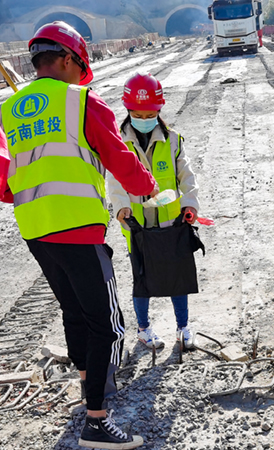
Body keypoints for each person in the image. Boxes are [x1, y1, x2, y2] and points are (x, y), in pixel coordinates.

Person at [0, 22, 158, 450]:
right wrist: (146, 187)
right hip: (77, 225)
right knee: (106, 323)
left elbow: (8, 177)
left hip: (35, 229)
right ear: (68, 59)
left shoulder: (10, 108)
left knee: (73, 311)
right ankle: (96, 421)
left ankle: (91, 388)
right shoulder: (81, 101)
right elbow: (119, 155)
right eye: (79, 65)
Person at [109, 73, 200, 351]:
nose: (144, 117)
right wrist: (121, 206)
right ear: (128, 109)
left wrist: (190, 204)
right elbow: (114, 177)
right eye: (137, 113)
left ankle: (183, 328)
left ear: (159, 110)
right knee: (142, 279)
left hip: (170, 221)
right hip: (136, 223)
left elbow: (186, 174)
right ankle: (143, 329)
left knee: (177, 276)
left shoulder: (172, 139)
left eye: (150, 113)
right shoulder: (117, 141)